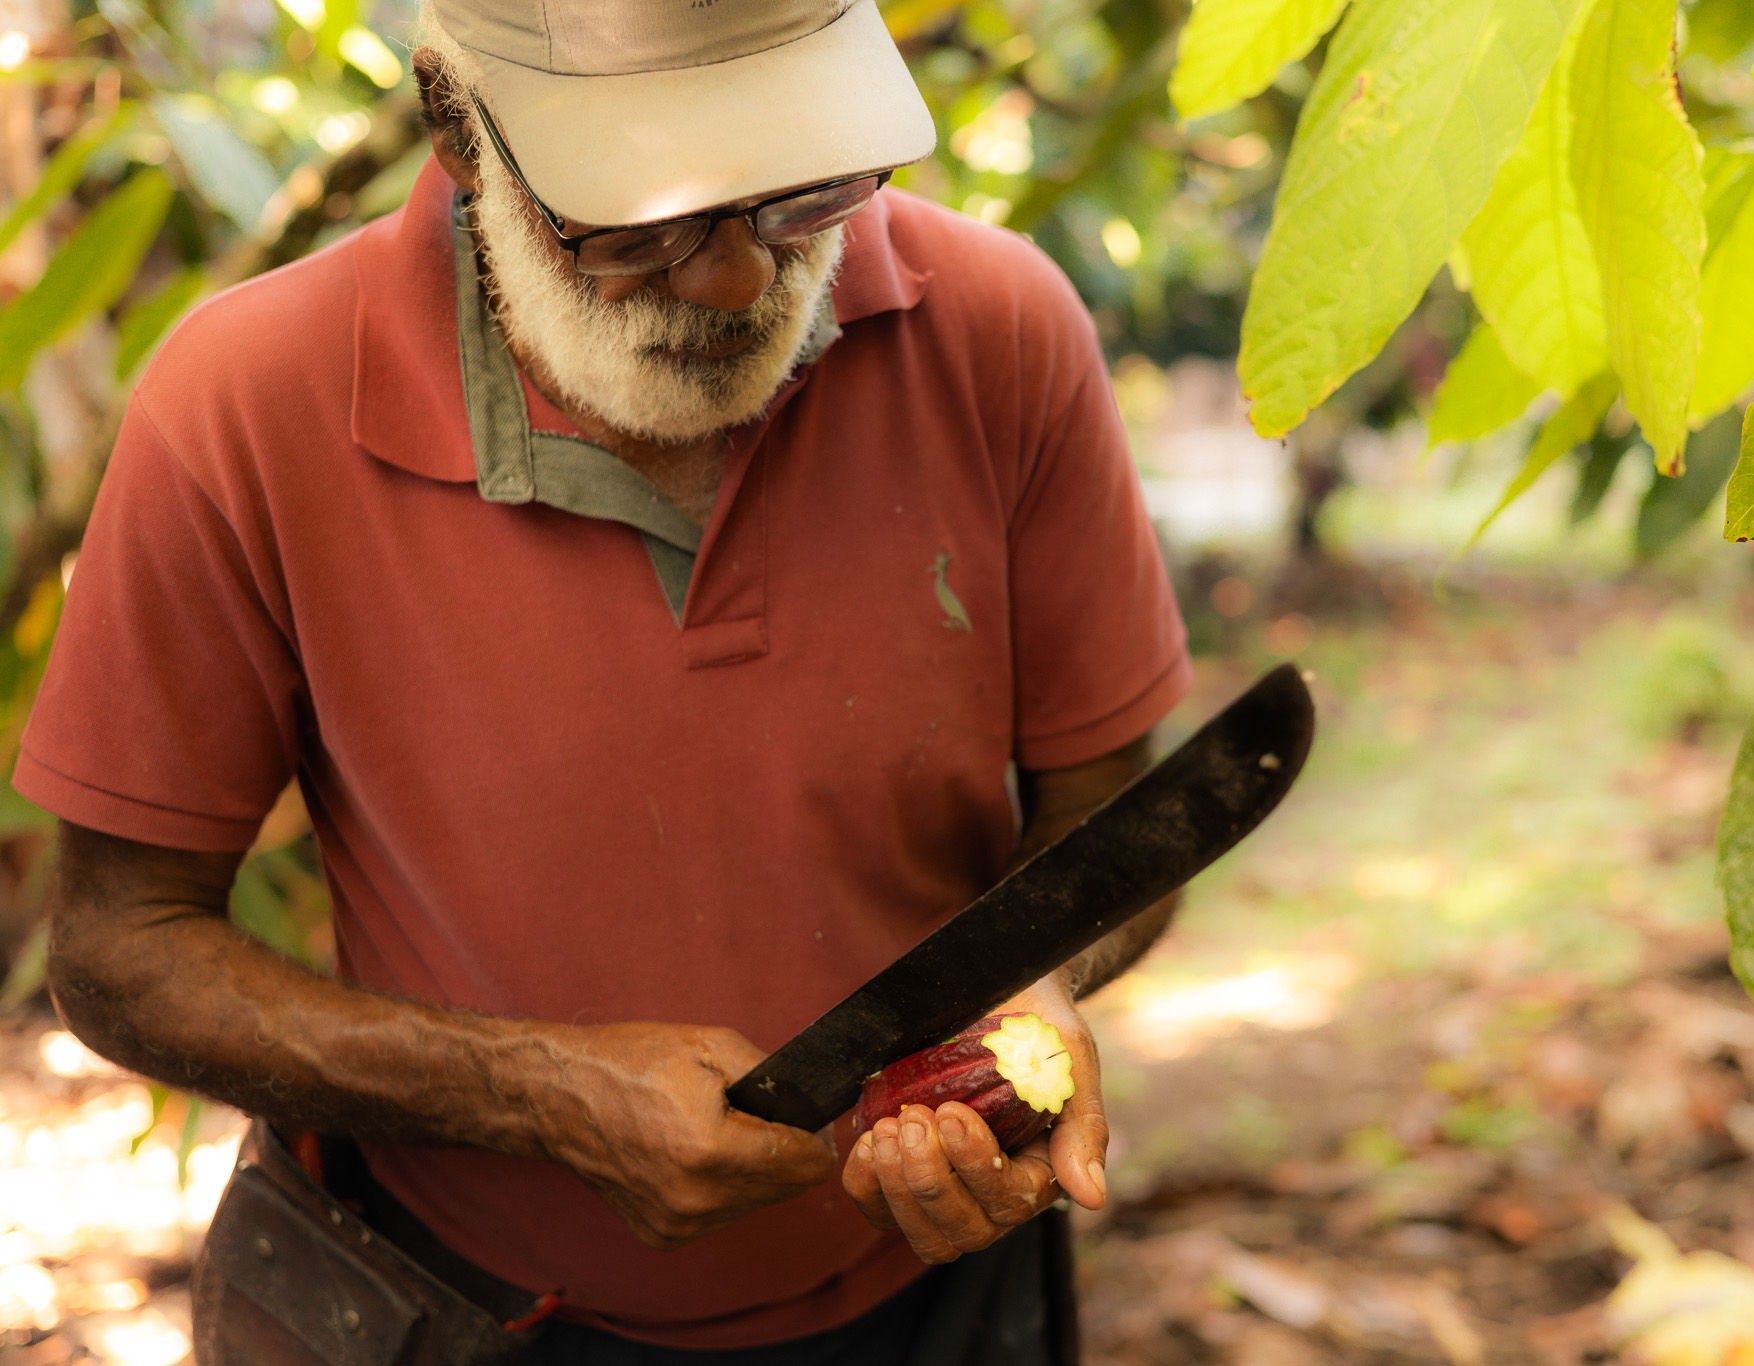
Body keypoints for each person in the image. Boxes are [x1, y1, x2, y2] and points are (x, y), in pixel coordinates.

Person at [20, 0, 1191, 1361]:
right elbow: (118, 950)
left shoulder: (999, 332)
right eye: (642, 224)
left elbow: (1121, 831)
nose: (737, 281)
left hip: (932, 1302)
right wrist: (534, 1093)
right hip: (475, 1309)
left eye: (796, 190)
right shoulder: (246, 401)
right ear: (459, 129)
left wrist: (1031, 988)